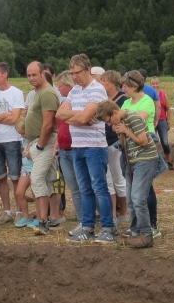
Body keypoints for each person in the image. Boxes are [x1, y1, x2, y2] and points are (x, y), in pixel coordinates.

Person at [57, 54, 114, 242]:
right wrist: (80, 115)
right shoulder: (74, 91)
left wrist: (76, 116)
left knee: (99, 187)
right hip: (78, 145)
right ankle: (87, 226)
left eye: (77, 72)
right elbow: (60, 114)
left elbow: (81, 118)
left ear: (87, 70)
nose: (74, 76)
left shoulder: (96, 90)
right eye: (72, 73)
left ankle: (107, 227)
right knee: (84, 188)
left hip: (94, 146)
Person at [95, 100, 163, 248]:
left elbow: (143, 141)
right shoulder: (123, 121)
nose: (108, 124)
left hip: (145, 160)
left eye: (108, 120)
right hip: (132, 161)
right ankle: (136, 232)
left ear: (114, 112)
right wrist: (121, 134)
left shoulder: (133, 118)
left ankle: (146, 234)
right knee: (131, 201)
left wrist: (126, 131)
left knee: (138, 198)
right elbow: (125, 145)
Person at [0, 63, 26, 223]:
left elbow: (15, 119)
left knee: (15, 177)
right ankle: (7, 211)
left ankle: (19, 211)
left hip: (12, 139)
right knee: (1, 177)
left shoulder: (16, 93)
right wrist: (6, 115)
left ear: (4, 75)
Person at [24, 61, 61, 231]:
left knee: (37, 179)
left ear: (43, 74)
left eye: (34, 75)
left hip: (45, 142)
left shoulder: (47, 93)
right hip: (39, 142)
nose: (31, 78)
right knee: (47, 180)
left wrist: (39, 146)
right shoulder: (38, 92)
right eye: (29, 75)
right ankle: (48, 219)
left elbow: (48, 125)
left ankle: (43, 221)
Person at [99, 71, 129, 226]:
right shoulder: (102, 99)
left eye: (104, 80)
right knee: (108, 179)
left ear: (111, 82)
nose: (101, 83)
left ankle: (124, 211)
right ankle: (112, 214)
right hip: (103, 142)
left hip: (116, 142)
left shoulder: (123, 99)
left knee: (118, 177)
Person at [55, 70, 83, 227]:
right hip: (63, 150)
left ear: (69, 85)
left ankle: (97, 217)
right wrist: (57, 145)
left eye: (60, 86)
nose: (58, 89)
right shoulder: (62, 104)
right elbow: (60, 126)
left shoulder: (77, 103)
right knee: (74, 187)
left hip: (76, 148)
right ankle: (82, 220)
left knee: (83, 186)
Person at [149, 77, 172, 169]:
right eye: (153, 84)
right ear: (150, 85)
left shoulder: (163, 95)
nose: (155, 85)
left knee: (165, 142)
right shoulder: (149, 95)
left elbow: (168, 109)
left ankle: (169, 161)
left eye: (156, 83)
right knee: (152, 142)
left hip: (162, 120)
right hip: (152, 120)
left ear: (159, 84)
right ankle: (154, 163)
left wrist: (168, 122)